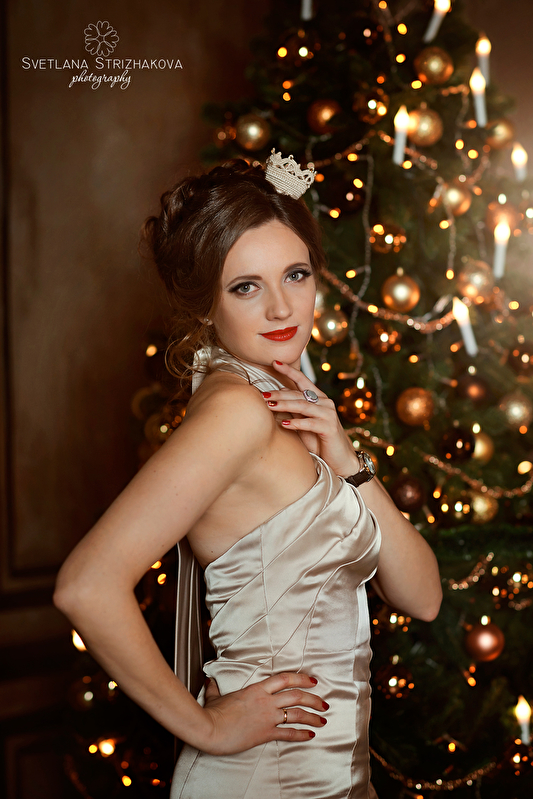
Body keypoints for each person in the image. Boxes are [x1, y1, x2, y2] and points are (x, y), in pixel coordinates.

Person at [54, 151, 442, 799]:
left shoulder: (284, 398)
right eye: (245, 287)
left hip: (333, 779)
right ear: (206, 304)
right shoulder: (235, 412)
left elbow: (422, 597)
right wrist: (205, 726)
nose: (281, 307)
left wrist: (345, 458)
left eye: (296, 274)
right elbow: (85, 585)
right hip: (268, 777)